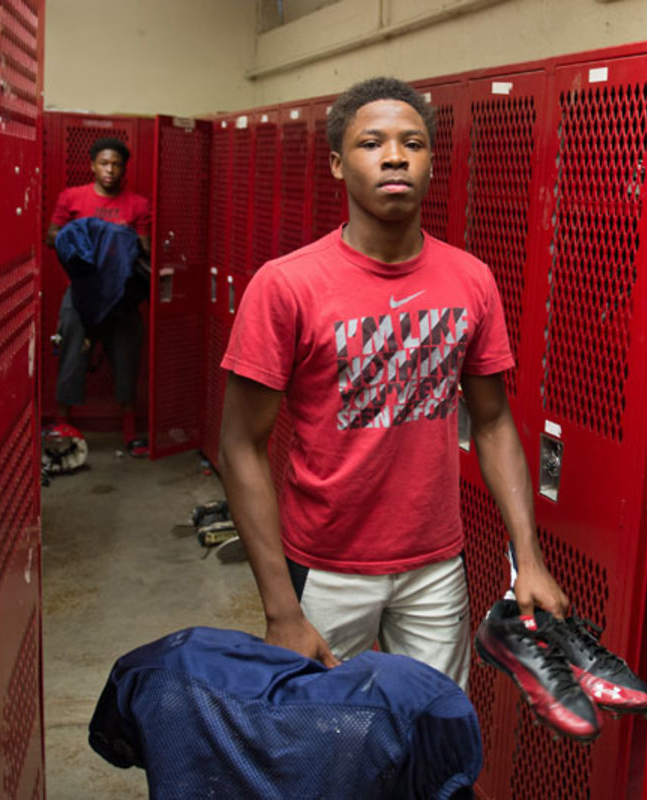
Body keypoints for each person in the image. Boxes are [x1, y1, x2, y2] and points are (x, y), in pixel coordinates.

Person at [218, 77, 568, 689]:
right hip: (326, 568)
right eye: (371, 143)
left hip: (436, 565)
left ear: (431, 161)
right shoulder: (287, 285)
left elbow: (492, 421)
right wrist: (281, 610)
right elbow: (241, 446)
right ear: (337, 164)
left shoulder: (471, 279)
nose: (395, 156)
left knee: (431, 730)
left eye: (413, 142)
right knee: (319, 736)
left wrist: (528, 560)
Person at [45, 137, 151, 456]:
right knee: (71, 354)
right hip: (82, 292)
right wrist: (83, 234)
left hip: (121, 296)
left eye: (116, 164)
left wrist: (117, 238)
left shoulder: (138, 204)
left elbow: (145, 249)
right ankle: (62, 427)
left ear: (124, 169)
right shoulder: (72, 197)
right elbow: (51, 236)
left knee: (127, 357)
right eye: (104, 163)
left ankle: (130, 432)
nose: (110, 170)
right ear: (92, 165)